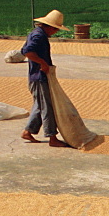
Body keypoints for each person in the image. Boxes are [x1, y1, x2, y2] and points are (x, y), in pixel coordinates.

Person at [20, 9, 70, 147]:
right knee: (47, 107)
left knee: (40, 105)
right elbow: (27, 51)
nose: (55, 33)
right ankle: (52, 137)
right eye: (56, 30)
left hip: (37, 76)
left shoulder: (37, 34)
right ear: (50, 27)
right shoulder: (39, 36)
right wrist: (42, 63)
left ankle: (28, 131)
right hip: (38, 77)